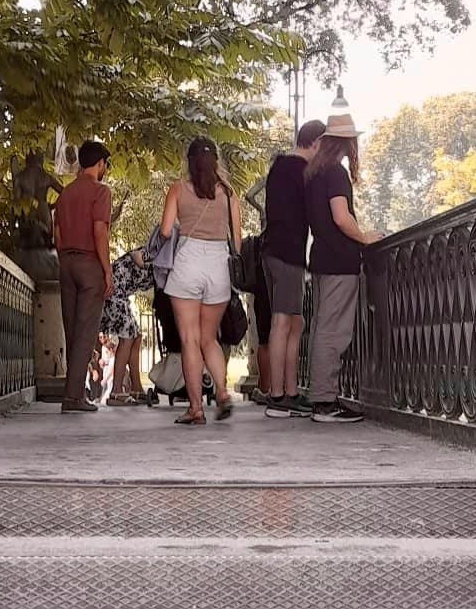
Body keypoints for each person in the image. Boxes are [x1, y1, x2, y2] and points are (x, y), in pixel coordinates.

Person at [303, 92, 381, 423]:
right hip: (339, 260)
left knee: (322, 327)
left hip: (321, 256)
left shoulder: (312, 174)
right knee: (334, 331)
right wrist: (364, 237)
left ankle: (320, 395)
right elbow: (340, 215)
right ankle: (324, 401)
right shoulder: (336, 173)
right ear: (346, 143)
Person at [160, 137, 242, 427]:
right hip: (218, 264)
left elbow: (166, 229)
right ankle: (222, 391)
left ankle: (195, 409)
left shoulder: (178, 189)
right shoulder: (229, 194)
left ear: (189, 161)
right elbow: (238, 241)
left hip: (188, 262)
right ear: (215, 161)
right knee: (209, 338)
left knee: (189, 340)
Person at [260, 118, 326, 418]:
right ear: (315, 142)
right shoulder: (302, 172)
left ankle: (289, 391)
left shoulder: (280, 167)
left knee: (293, 322)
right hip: (288, 253)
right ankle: (278, 395)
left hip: (277, 250)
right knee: (283, 322)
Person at [53, 140, 113, 414]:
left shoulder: (65, 193)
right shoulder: (101, 192)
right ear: (100, 164)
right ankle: (73, 397)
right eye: (105, 165)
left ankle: (73, 393)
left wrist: (65, 258)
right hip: (89, 263)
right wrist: (106, 270)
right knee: (86, 333)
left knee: (71, 329)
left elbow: (58, 235)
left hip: (66, 262)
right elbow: (100, 231)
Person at [100, 243, 157, 404]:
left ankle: (136, 388)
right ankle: (116, 392)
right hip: (113, 291)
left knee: (136, 336)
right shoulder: (154, 252)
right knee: (128, 337)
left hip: (120, 294)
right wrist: (145, 264)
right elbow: (135, 255)